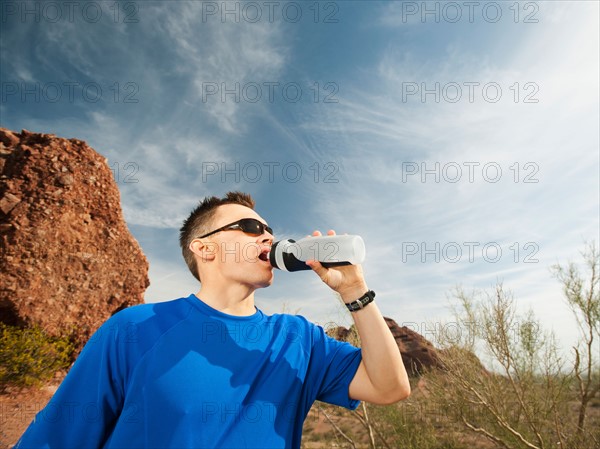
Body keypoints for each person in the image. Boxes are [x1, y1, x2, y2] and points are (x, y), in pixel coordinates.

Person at [15, 191, 410, 449]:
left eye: (270, 231)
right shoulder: (134, 329)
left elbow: (389, 387)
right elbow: (58, 438)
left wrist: (354, 292)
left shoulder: (298, 339)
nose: (267, 238)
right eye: (251, 228)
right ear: (203, 248)